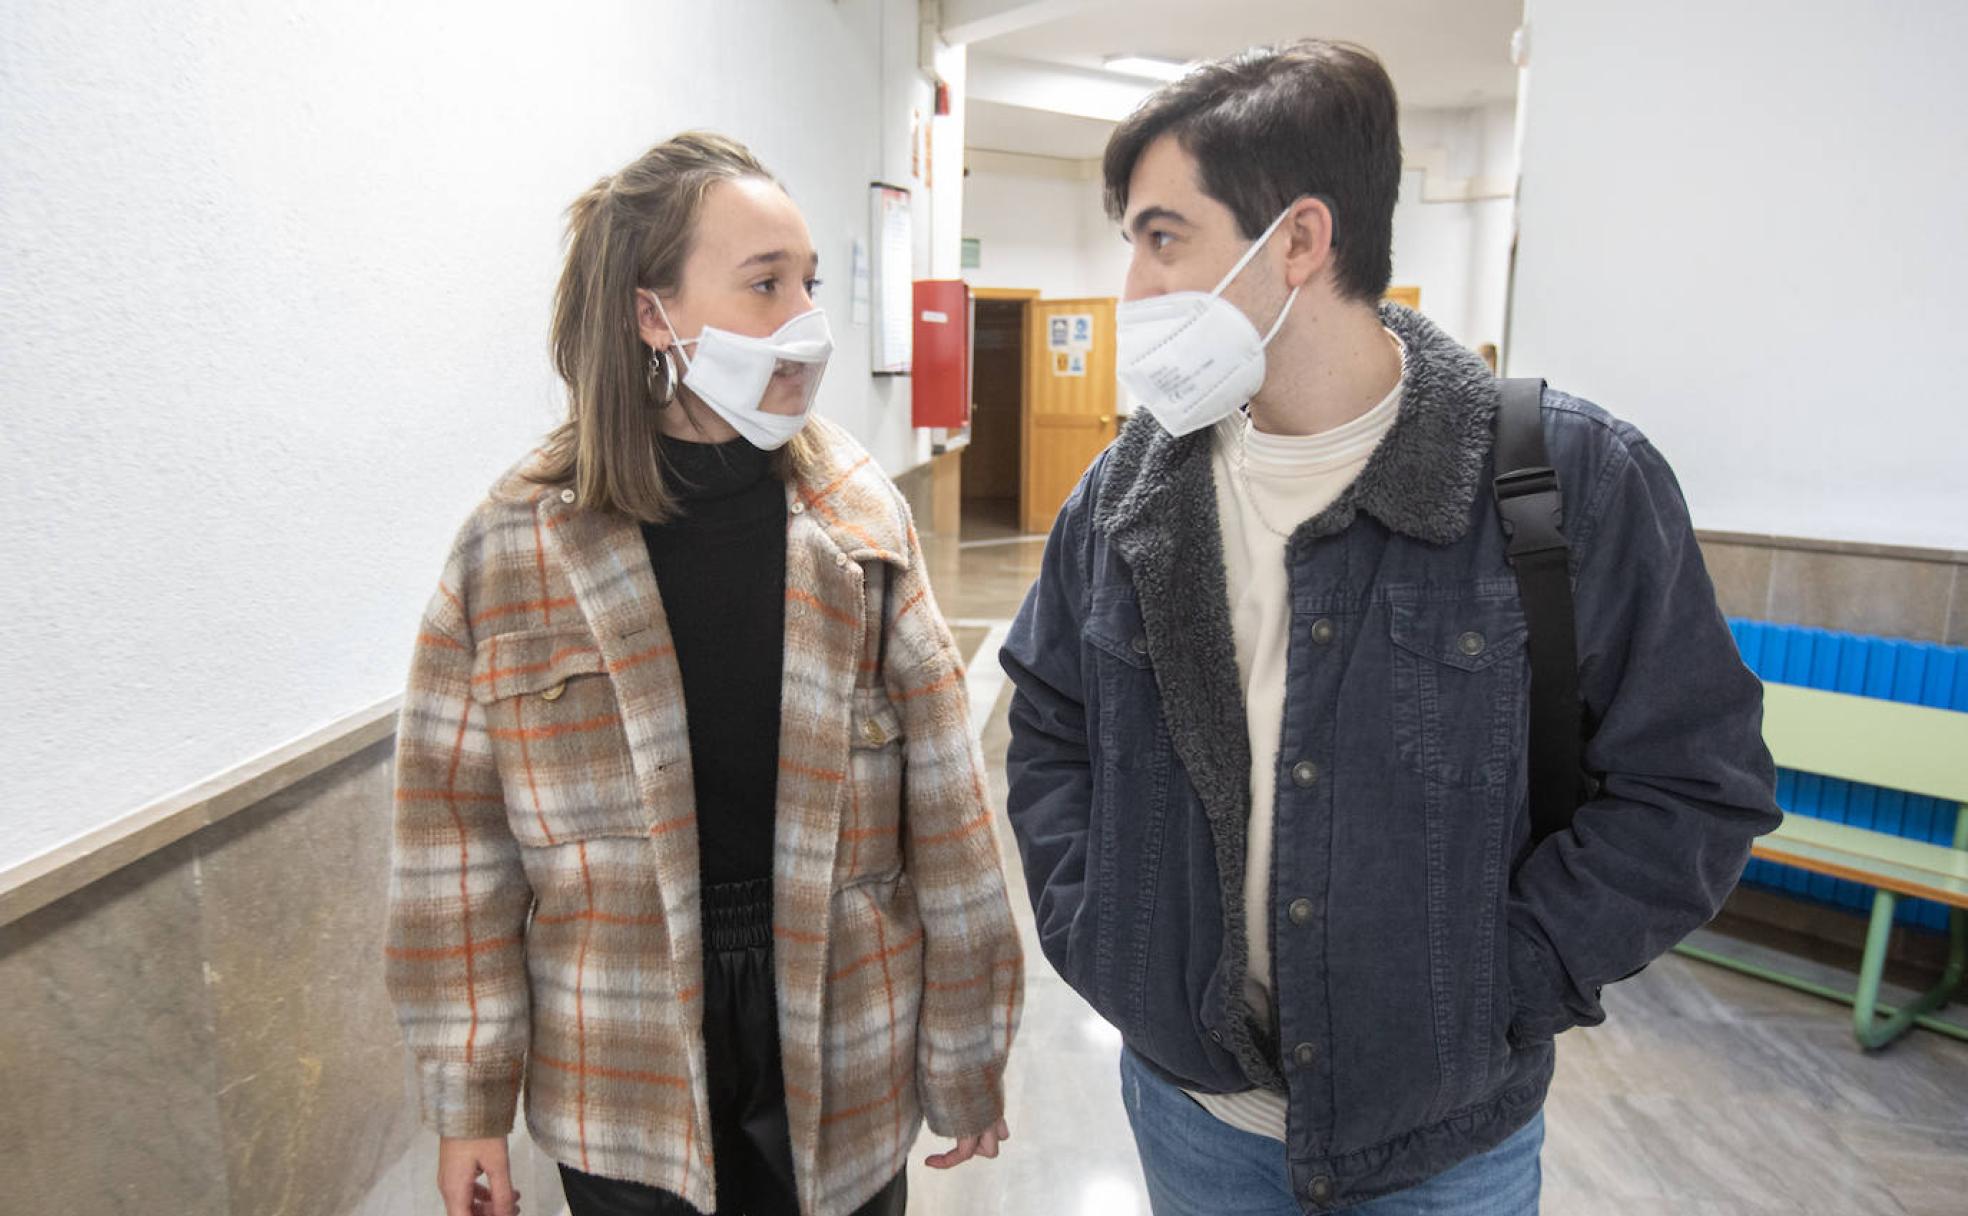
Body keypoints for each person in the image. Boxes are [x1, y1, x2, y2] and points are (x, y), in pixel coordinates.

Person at [999, 41, 1777, 1215]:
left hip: (1441, 1144)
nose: (1134, 285)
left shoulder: (1567, 482)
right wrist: (1104, 931)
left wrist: (1497, 986)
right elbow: (1053, 728)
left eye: (1163, 238)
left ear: (1300, 241)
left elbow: (1694, 786)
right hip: (1193, 1116)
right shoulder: (1124, 496)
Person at [385, 131, 1021, 1216]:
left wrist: (968, 1051)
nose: (806, 322)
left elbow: (950, 819)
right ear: (653, 314)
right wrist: (469, 1101)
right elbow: (456, 848)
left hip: (845, 1029)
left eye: (809, 283)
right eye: (766, 284)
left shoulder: (861, 519)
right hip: (618, 1052)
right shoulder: (515, 548)